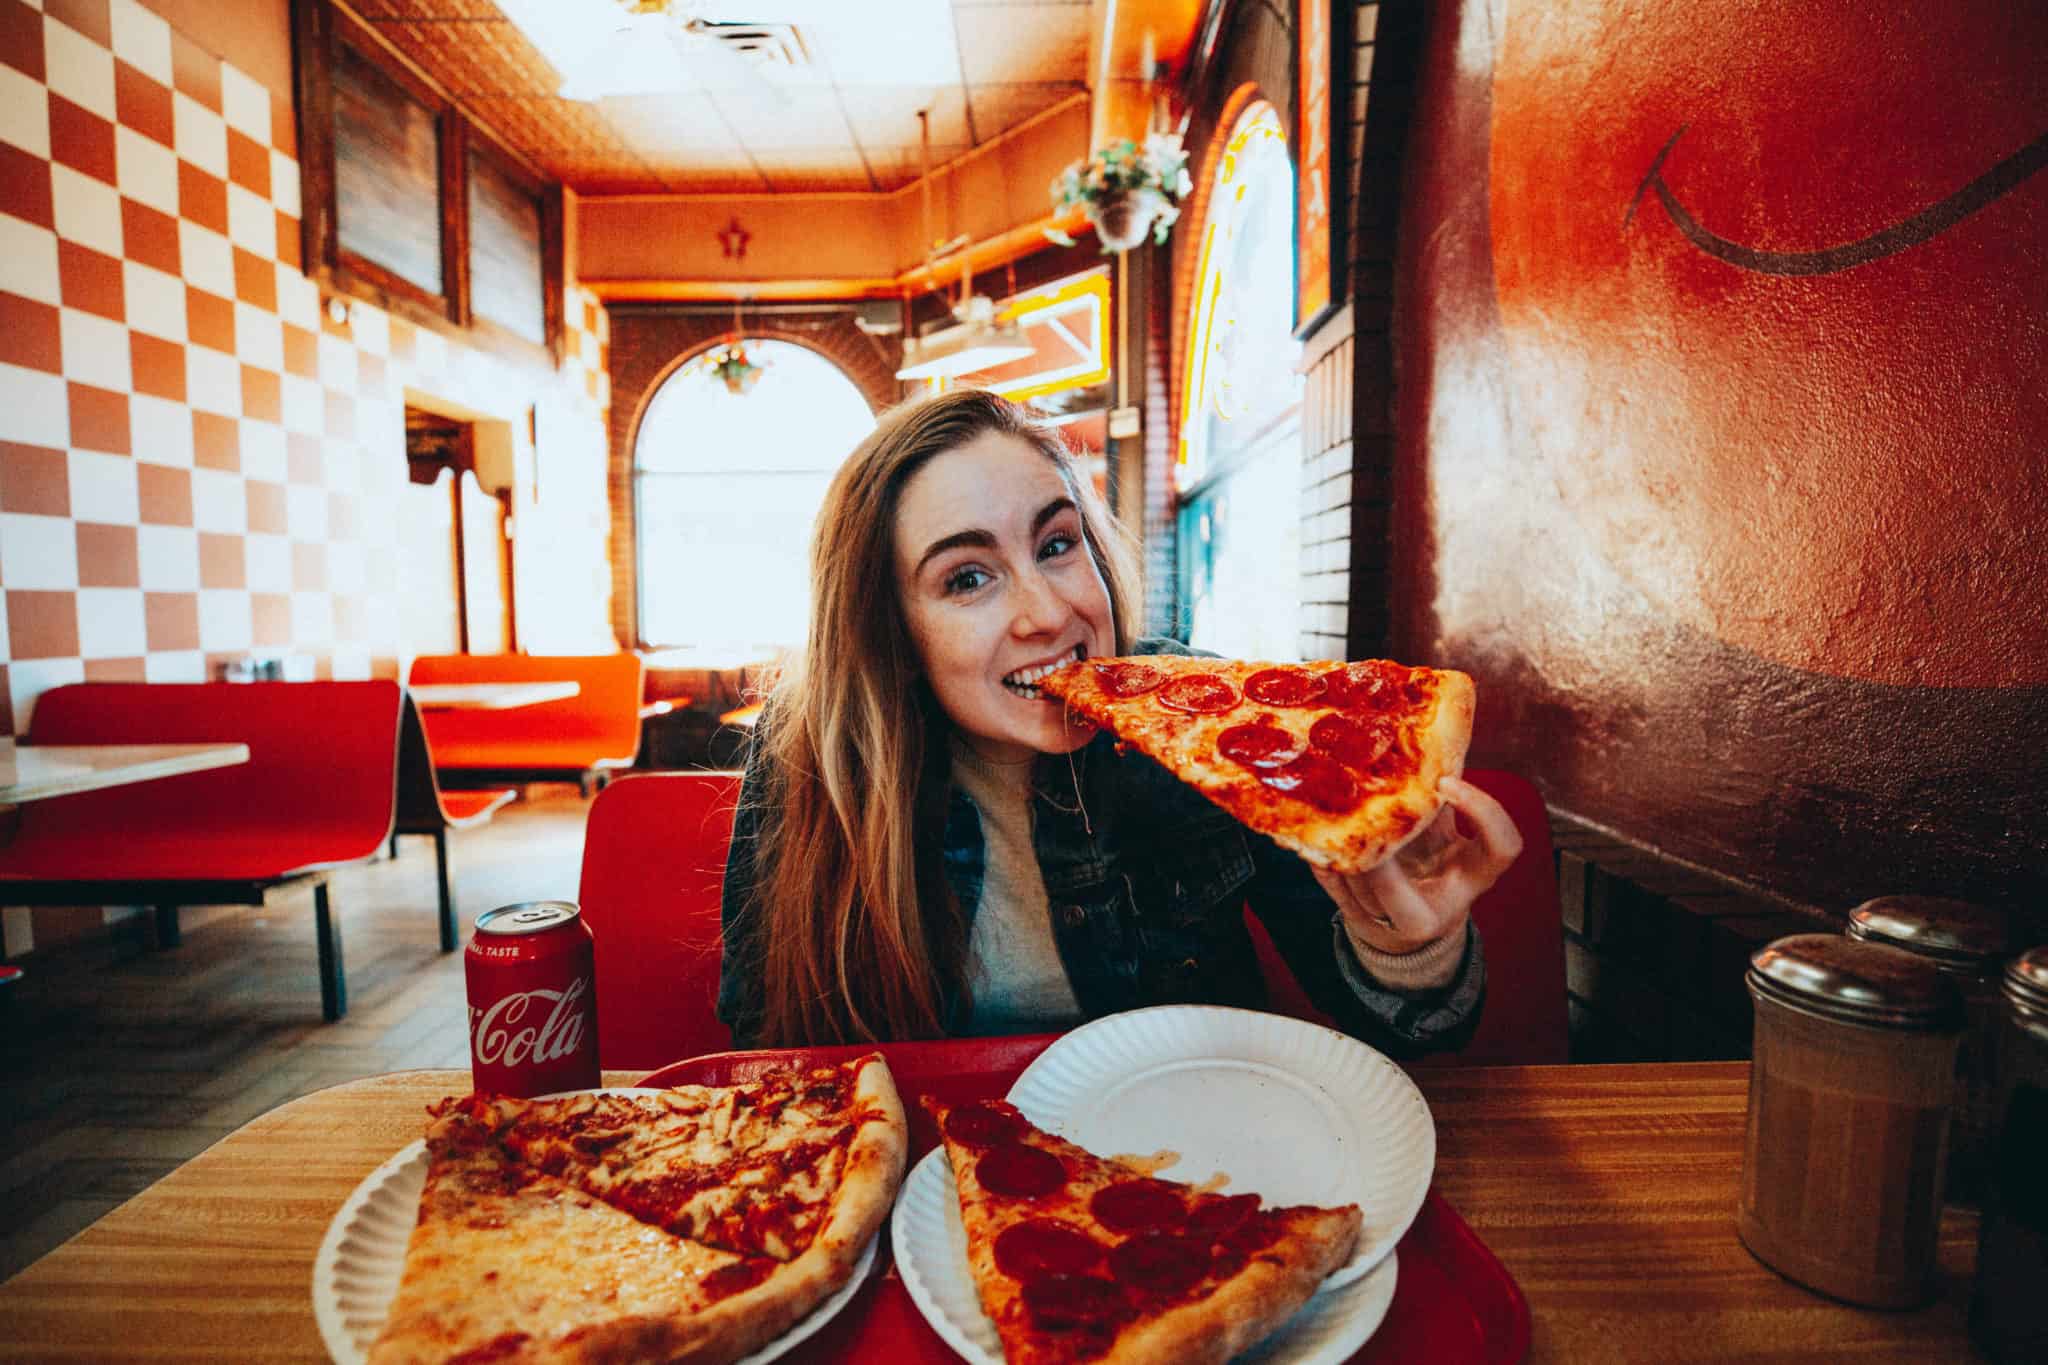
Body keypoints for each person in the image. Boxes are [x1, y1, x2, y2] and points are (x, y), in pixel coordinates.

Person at [717, 387, 1523, 1054]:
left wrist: (1407, 946)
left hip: (1206, 1171)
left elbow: (1404, 1044)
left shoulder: (1205, 725)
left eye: (1057, 543)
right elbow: (770, 1052)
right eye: (968, 578)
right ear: (887, 628)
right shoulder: (806, 756)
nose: (1048, 611)